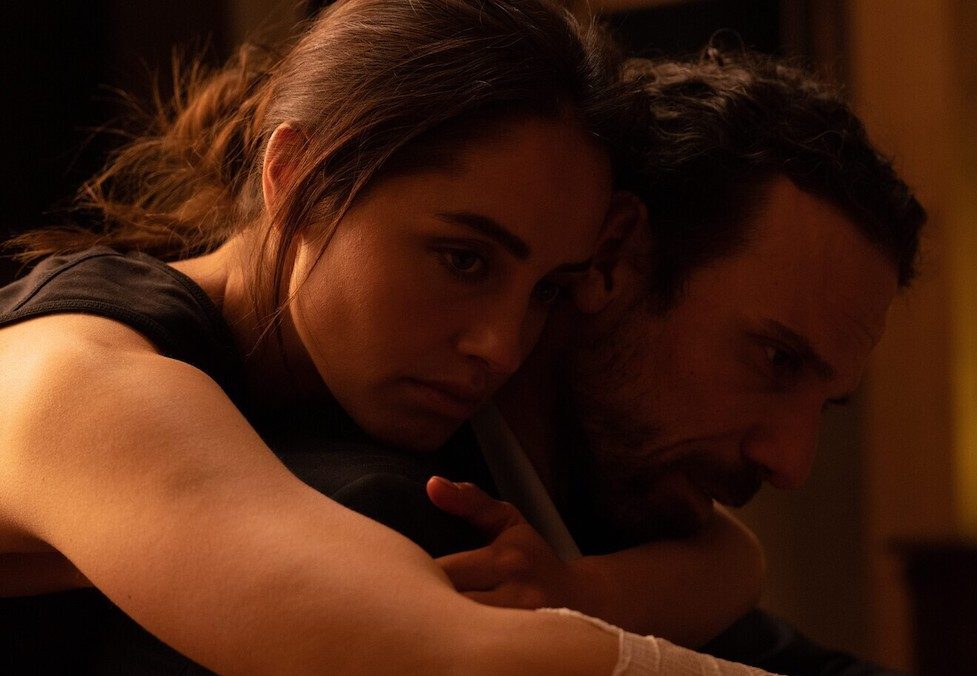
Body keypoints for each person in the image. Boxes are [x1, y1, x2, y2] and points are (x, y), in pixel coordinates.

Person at [0, 1, 775, 674]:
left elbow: (730, 553)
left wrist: (585, 593)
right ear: (298, 180)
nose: (502, 347)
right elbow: (447, 656)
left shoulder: (352, 365)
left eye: (546, 290)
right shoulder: (78, 380)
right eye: (463, 260)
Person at [260, 48, 925, 675]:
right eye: (777, 360)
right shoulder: (391, 528)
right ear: (611, 259)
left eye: (825, 405)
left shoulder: (615, 522)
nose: (793, 464)